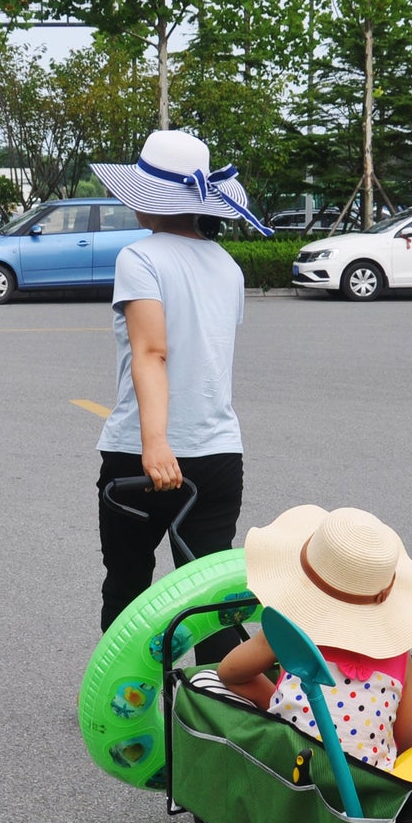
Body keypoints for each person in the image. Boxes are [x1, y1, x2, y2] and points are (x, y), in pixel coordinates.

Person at [91, 130, 272, 635]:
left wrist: (155, 445)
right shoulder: (227, 266)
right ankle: (218, 707)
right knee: (211, 603)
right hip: (218, 455)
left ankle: (128, 711)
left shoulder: (140, 257)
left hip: (142, 455)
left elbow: (152, 352)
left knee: (128, 589)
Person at [216, 505, 412, 771]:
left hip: (287, 769)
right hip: (364, 791)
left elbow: (229, 673)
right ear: (388, 588)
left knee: (207, 680)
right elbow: (407, 739)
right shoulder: (398, 652)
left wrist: (279, 701)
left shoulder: (291, 629)